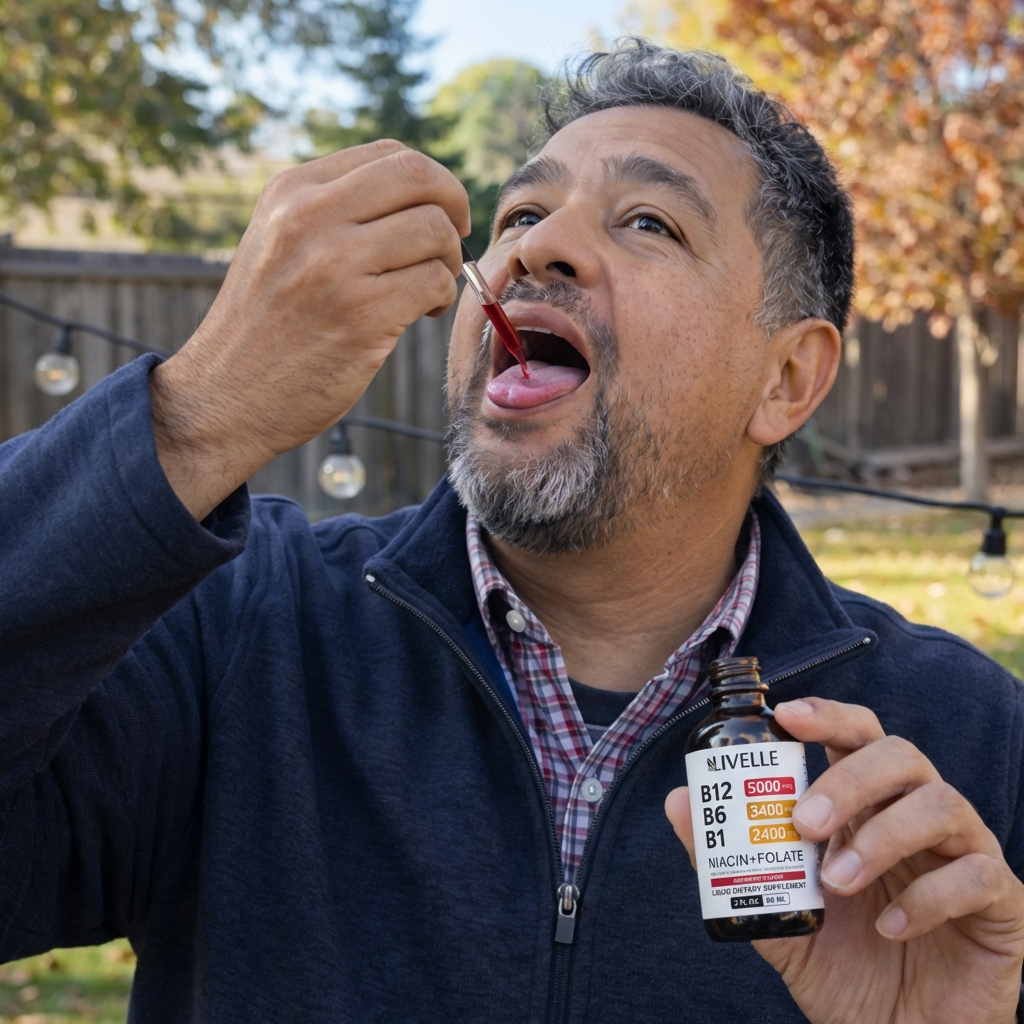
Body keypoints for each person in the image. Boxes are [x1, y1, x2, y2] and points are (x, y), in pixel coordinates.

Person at [2, 38, 1023, 1024]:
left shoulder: (964, 742)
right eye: (521, 211)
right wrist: (192, 418)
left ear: (788, 376)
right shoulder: (232, 634)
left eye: (649, 224)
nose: (536, 245)